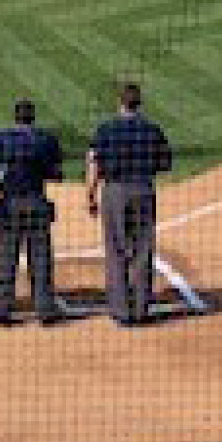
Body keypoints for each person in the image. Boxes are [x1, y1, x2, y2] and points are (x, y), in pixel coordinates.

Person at [87, 83, 174, 325]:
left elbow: (94, 163)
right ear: (140, 104)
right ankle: (140, 309)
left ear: (120, 103)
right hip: (144, 191)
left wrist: (90, 195)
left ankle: (121, 311)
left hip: (115, 192)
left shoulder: (106, 130)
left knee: (116, 249)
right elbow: (165, 164)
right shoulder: (152, 130)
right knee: (143, 249)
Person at [0, 99, 67, 325]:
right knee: (40, 258)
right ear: (33, 117)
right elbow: (57, 174)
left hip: (10, 206)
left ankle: (3, 309)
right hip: (37, 203)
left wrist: (4, 174)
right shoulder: (46, 140)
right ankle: (45, 309)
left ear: (15, 117)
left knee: (7, 258)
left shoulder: (0, 139)